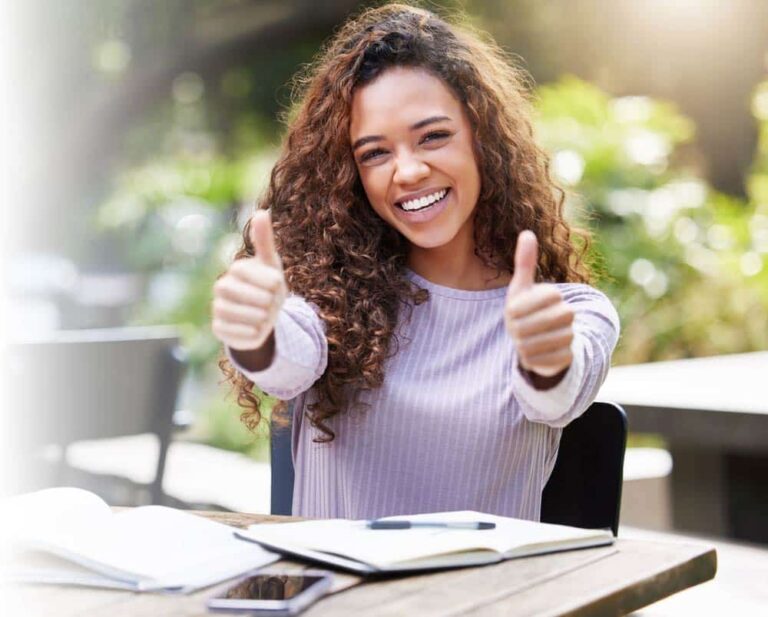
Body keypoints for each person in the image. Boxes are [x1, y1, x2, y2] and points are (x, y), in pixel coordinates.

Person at [212, 3, 620, 520]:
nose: (407, 171)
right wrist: (257, 331)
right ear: (351, 174)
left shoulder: (571, 311)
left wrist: (546, 358)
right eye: (375, 153)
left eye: (433, 136)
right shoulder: (327, 295)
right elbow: (288, 360)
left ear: (483, 140)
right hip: (337, 600)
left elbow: (556, 395)